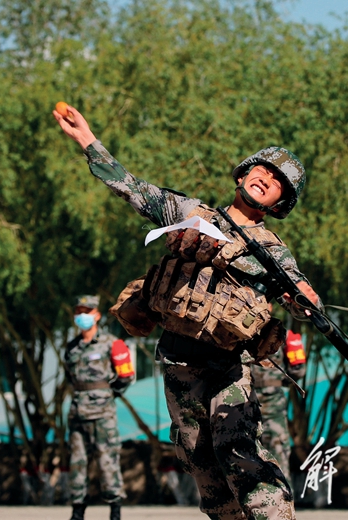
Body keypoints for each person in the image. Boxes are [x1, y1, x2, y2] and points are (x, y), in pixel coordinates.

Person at [54, 105, 322, 519]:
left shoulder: (271, 250)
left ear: (279, 203)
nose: (266, 179)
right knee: (204, 471)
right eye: (263, 170)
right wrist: (87, 140)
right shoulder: (189, 214)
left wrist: (304, 299)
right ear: (241, 175)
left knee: (240, 454)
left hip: (228, 368)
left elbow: (300, 296)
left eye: (277, 183)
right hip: (179, 367)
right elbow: (131, 187)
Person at [65, 295, 135, 520]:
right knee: (77, 463)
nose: (82, 316)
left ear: (97, 315)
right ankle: (77, 511)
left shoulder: (112, 343)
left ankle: (115, 510)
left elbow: (126, 375)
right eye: (78, 312)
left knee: (107, 461)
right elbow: (70, 378)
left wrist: (109, 394)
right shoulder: (71, 347)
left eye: (86, 311)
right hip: (77, 412)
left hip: (102, 414)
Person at [250, 331, 307, 485]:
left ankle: (282, 496)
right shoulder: (280, 332)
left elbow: (298, 368)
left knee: (276, 459)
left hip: (268, 406)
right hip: (249, 403)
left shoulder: (284, 334)